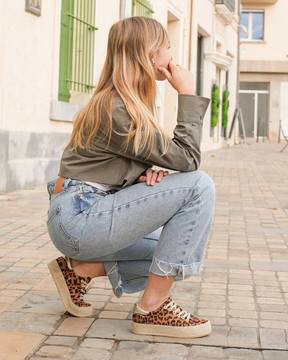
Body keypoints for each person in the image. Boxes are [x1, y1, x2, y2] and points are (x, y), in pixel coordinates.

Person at [47, 16, 215, 339]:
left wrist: (148, 170)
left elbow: (164, 157)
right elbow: (188, 159)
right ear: (149, 55)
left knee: (176, 250)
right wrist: (188, 95)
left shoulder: (125, 104)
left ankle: (78, 270)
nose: (171, 54)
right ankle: (153, 309)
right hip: (78, 217)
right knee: (200, 187)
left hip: (81, 213)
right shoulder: (117, 109)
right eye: (166, 46)